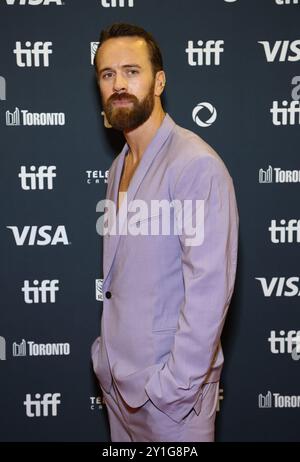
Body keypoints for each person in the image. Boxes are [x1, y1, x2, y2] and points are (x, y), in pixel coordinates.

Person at [91, 22, 239, 442]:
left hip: (170, 402)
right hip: (119, 390)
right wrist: (106, 361)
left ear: (159, 81)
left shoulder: (195, 164)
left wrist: (172, 389)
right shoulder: (118, 166)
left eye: (131, 71)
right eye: (107, 74)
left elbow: (210, 290)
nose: (119, 84)